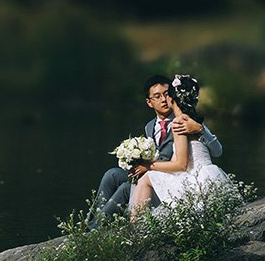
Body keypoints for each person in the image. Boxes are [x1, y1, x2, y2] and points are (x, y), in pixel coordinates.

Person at [91, 74, 222, 224]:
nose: (164, 100)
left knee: (126, 188)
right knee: (112, 175)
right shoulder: (149, 126)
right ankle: (92, 223)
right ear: (149, 102)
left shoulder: (184, 122)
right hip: (157, 172)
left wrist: (200, 129)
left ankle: (97, 228)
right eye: (157, 96)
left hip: (173, 175)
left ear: (173, 96)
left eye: (166, 94)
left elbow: (184, 162)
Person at [129, 74, 230, 221]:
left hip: (193, 180)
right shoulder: (192, 119)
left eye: (167, 95)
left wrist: (149, 166)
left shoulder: (178, 123)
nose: (164, 99)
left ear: (172, 99)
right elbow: (217, 152)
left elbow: (181, 165)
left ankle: (135, 224)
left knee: (147, 178)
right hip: (210, 176)